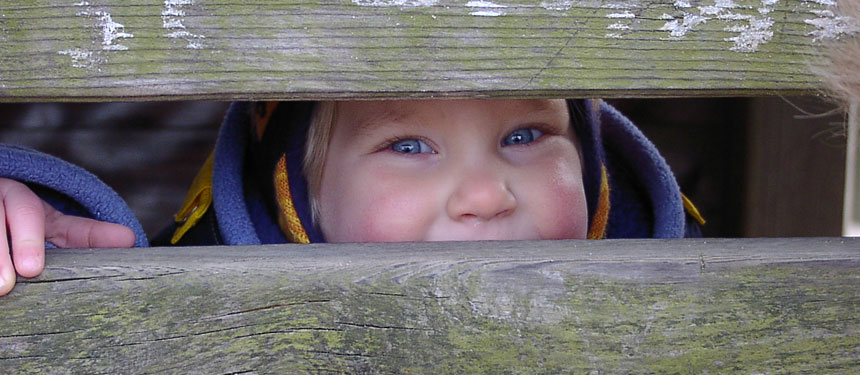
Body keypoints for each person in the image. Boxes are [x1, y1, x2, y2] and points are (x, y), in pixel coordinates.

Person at [0, 98, 704, 296]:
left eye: (525, 134)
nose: (486, 194)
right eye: (407, 146)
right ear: (296, 203)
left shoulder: (688, 314)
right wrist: (27, 234)